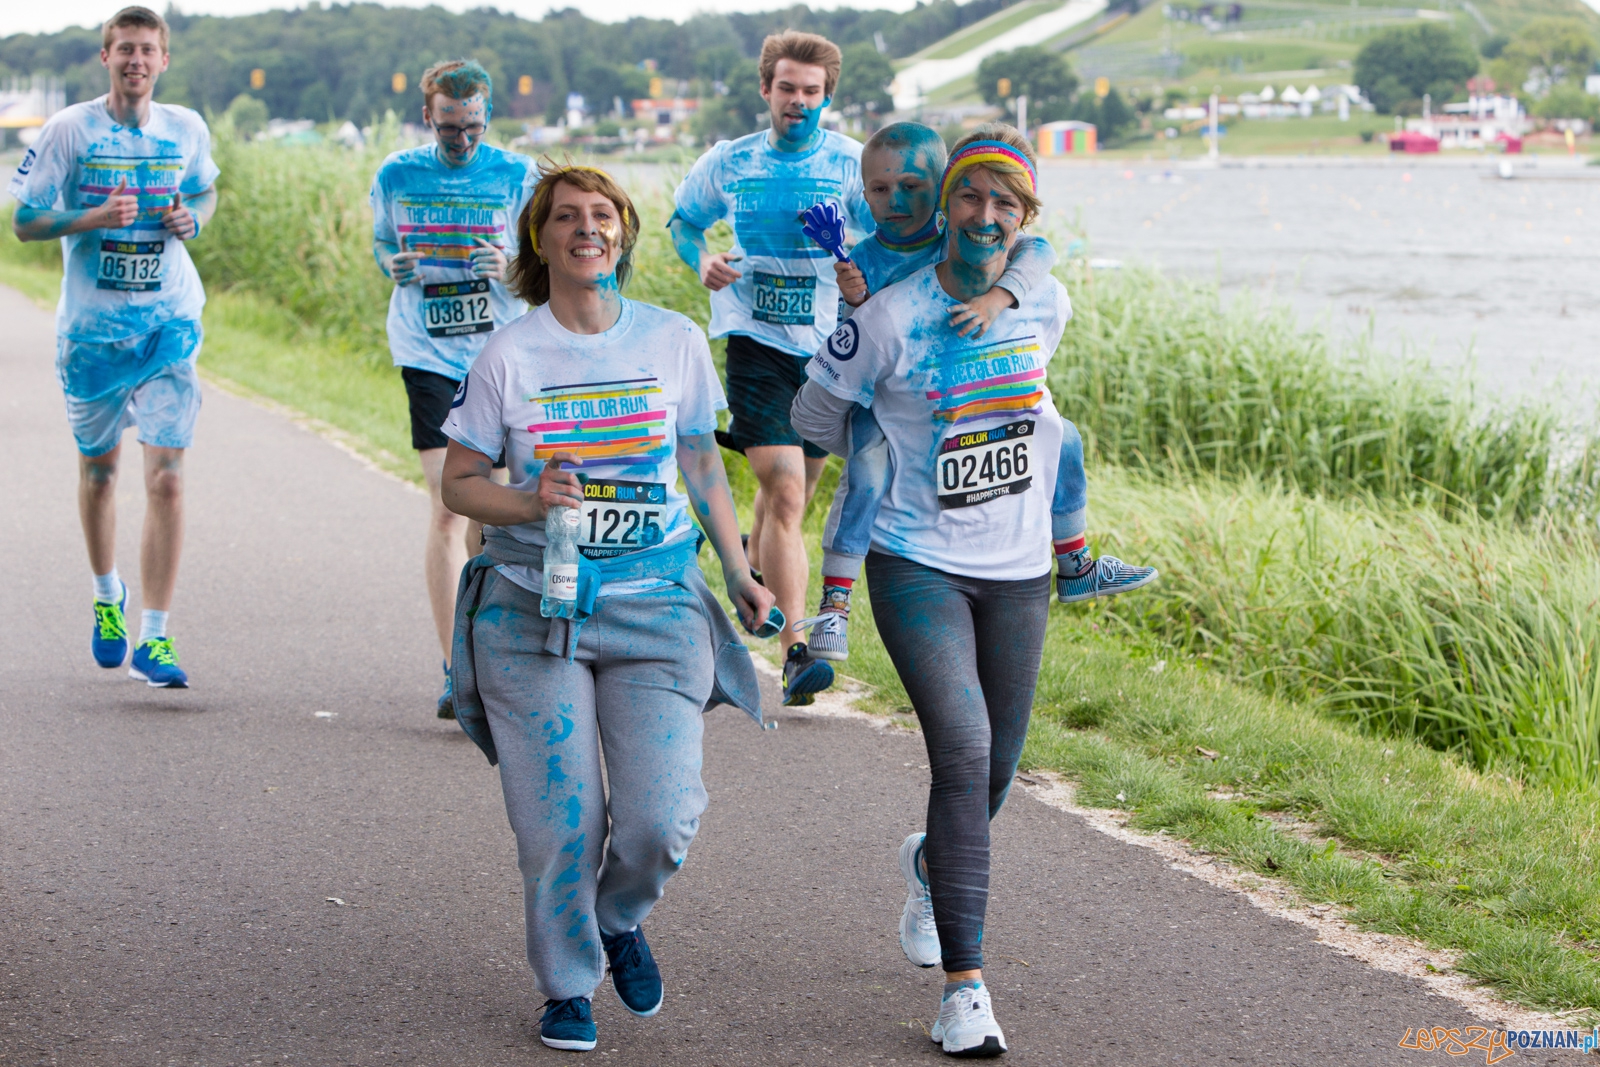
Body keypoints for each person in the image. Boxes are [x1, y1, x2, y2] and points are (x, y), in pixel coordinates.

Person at [439, 161, 775, 1053]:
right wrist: (529, 500)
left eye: (602, 215)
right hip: (531, 610)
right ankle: (567, 983)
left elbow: (700, 460)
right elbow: (460, 483)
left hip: (655, 604)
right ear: (539, 240)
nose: (586, 228)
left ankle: (615, 917)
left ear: (621, 234)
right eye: (566, 217)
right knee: (561, 823)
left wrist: (738, 568)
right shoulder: (508, 354)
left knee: (663, 818)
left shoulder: (673, 340)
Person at [791, 124, 1089, 1057]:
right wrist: (870, 440)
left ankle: (932, 862)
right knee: (963, 749)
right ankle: (966, 989)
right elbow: (812, 411)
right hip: (916, 559)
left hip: (1020, 568)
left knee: (996, 767)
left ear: (1023, 218)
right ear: (945, 205)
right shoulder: (888, 315)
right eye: (970, 195)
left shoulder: (1042, 302)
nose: (985, 215)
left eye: (1006, 202)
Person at [795, 121, 1156, 663]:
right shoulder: (864, 258)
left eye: (912, 187)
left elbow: (1039, 252)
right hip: (888, 412)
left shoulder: (978, 245)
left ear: (937, 191)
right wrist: (853, 300)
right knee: (867, 468)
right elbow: (854, 348)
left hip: (995, 502)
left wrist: (998, 299)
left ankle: (1076, 561)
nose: (898, 201)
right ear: (865, 194)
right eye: (881, 189)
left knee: (1064, 436)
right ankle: (835, 603)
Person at [9, 5, 218, 688]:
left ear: (164, 60)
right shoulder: (70, 130)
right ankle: (108, 597)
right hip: (93, 336)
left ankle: (155, 636)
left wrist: (192, 219)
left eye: (147, 49)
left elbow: (205, 193)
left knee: (168, 476)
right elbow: (25, 221)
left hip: (168, 324)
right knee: (100, 474)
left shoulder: (185, 128)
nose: (136, 60)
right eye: (125, 48)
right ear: (106, 58)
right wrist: (93, 216)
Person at [669, 30, 871, 706]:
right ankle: (796, 653)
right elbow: (683, 223)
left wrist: (858, 275)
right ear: (767, 89)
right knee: (785, 493)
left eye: (812, 92)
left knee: (794, 499)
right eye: (788, 88)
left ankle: (756, 557)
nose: (799, 101)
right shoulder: (731, 161)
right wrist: (701, 260)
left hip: (829, 351)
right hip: (754, 343)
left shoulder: (850, 165)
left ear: (827, 98)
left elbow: (885, 244)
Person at [370, 59, 536, 719]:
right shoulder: (396, 174)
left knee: (488, 510)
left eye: (472, 127)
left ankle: (483, 651)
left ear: (487, 117)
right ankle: (452, 669)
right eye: (448, 127)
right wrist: (392, 263)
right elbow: (381, 242)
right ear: (427, 116)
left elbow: (544, 262)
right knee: (447, 505)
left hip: (499, 355)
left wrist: (510, 265)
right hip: (427, 351)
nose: (461, 140)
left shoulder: (518, 176)